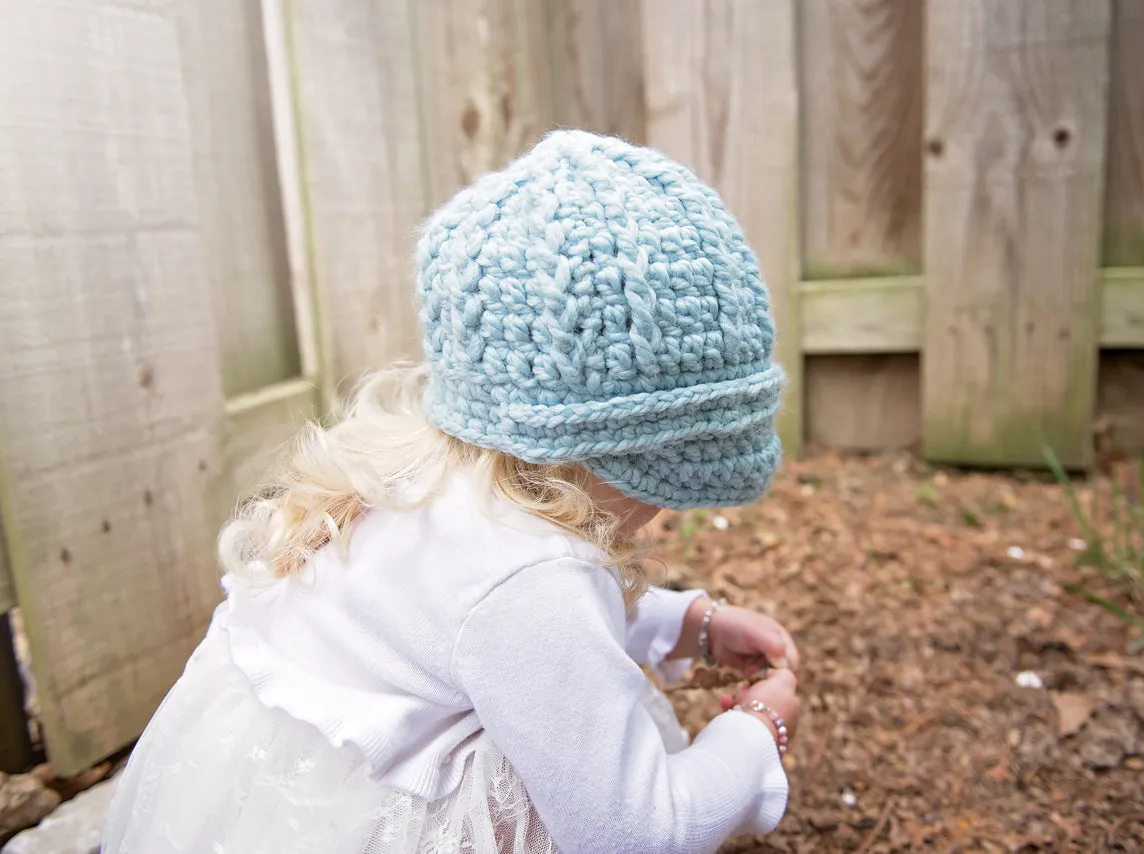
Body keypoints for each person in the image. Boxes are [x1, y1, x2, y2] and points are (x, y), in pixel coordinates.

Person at [101, 129, 802, 854]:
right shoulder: (532, 576)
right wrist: (754, 737)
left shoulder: (427, 478)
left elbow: (483, 630)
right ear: (583, 452)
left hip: (258, 789)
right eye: (661, 475)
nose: (662, 514)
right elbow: (636, 831)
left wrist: (684, 624)